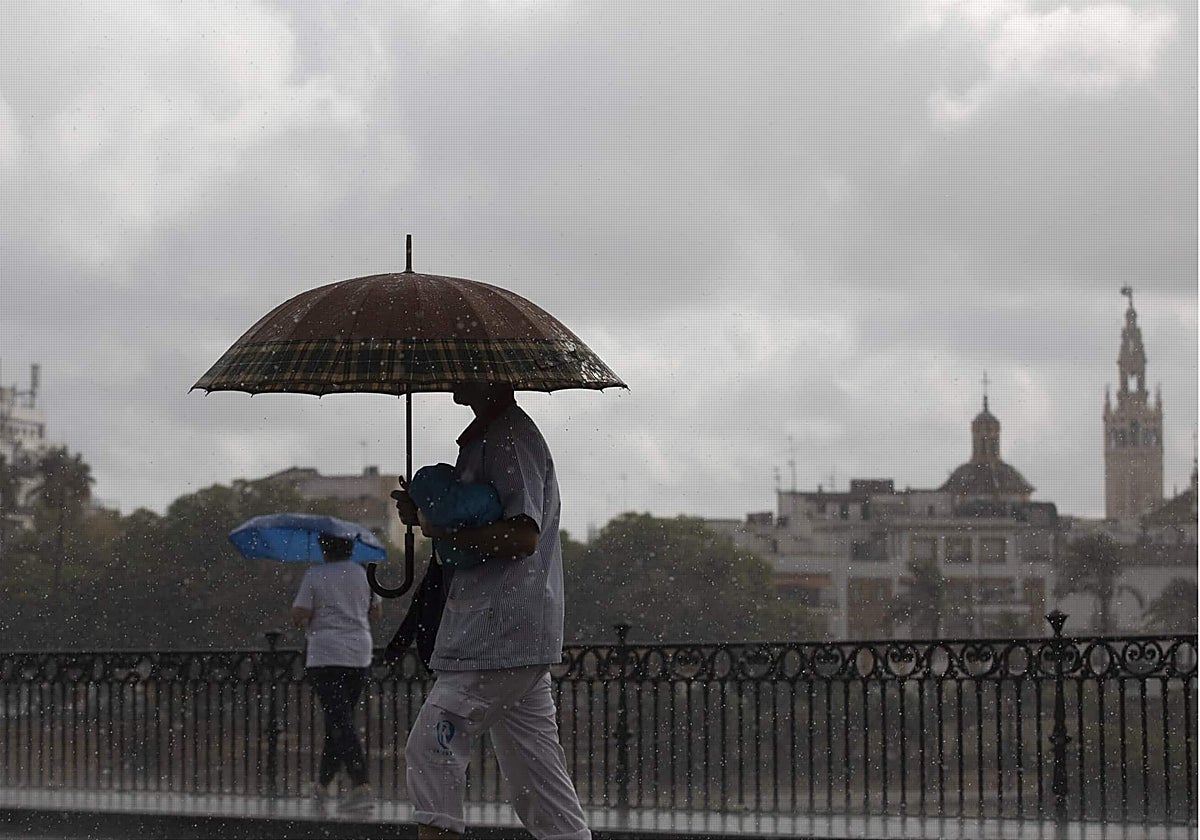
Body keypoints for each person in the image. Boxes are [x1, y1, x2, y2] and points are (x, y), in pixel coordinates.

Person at [392, 383, 590, 840]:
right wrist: (425, 515)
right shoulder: (492, 436)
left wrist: (439, 530)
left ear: (488, 372)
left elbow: (522, 537)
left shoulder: (508, 437)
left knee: (430, 752)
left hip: (497, 632)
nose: (450, 375)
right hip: (509, 633)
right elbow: (480, 519)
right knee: (539, 785)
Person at [291, 532, 383, 811]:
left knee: (340, 721)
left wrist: (317, 615)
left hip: (326, 654)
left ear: (323, 549)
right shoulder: (364, 574)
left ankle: (361, 785)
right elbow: (376, 614)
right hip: (358, 654)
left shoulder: (315, 575)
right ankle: (322, 785)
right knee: (339, 721)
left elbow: (299, 614)